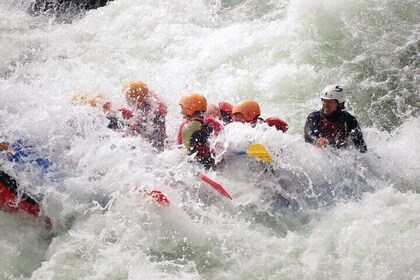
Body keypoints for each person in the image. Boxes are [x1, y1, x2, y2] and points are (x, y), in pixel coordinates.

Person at [106, 81, 167, 152]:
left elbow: (137, 131)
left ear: (139, 99)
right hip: (155, 142)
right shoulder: (151, 103)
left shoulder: (152, 113)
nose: (126, 99)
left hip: (151, 146)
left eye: (128, 97)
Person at [304, 84, 367, 153]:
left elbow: (361, 146)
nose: (325, 104)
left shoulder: (349, 120)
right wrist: (317, 140)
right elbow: (308, 134)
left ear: (339, 103)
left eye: (329, 102)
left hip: (341, 155)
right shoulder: (314, 117)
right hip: (319, 153)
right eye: (324, 100)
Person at [177, 93, 222, 170]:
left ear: (190, 108)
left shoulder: (189, 127)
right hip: (210, 166)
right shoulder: (206, 123)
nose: (181, 112)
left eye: (182, 108)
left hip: (198, 168)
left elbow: (184, 153)